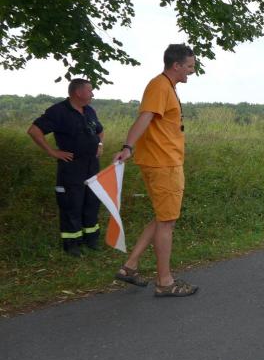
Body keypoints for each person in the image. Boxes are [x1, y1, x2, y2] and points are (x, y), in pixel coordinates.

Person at [111, 44, 198, 297]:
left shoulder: (166, 87)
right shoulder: (159, 86)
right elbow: (145, 117)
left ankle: (130, 266)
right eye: (189, 66)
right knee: (167, 222)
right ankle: (165, 282)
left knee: (163, 216)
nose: (192, 71)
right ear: (176, 65)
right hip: (163, 164)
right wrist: (127, 147)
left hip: (163, 161)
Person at [27, 79, 104, 257]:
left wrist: (100, 144)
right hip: (72, 167)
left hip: (92, 165)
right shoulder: (58, 111)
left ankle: (91, 239)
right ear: (78, 92)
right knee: (72, 204)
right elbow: (34, 131)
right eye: (90, 91)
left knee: (91, 202)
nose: (92, 94)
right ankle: (72, 244)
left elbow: (99, 130)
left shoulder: (89, 110)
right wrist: (52, 152)